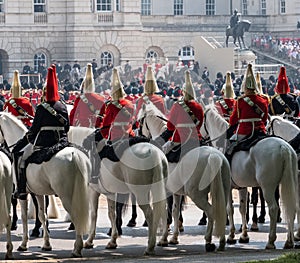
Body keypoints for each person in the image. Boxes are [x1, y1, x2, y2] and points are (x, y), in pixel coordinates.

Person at [12, 65, 70, 199]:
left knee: (21, 158)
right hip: (62, 141)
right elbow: (67, 127)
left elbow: (34, 130)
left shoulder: (42, 108)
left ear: (44, 93)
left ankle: (21, 189)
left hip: (44, 141)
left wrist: (24, 141)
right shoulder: (63, 106)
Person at [156, 70, 204, 156]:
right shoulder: (199, 107)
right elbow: (199, 125)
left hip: (180, 140)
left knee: (162, 155)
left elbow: (170, 126)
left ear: (182, 92)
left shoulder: (177, 106)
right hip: (196, 140)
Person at [227, 63, 268, 146]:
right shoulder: (263, 100)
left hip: (244, 131)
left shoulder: (240, 101)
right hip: (260, 130)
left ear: (245, 87)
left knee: (229, 147)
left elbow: (233, 120)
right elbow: (264, 118)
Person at [69, 63, 105, 128]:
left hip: (82, 127)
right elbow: (103, 115)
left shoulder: (79, 99)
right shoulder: (101, 98)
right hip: (96, 127)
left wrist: (70, 124)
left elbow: (73, 114)